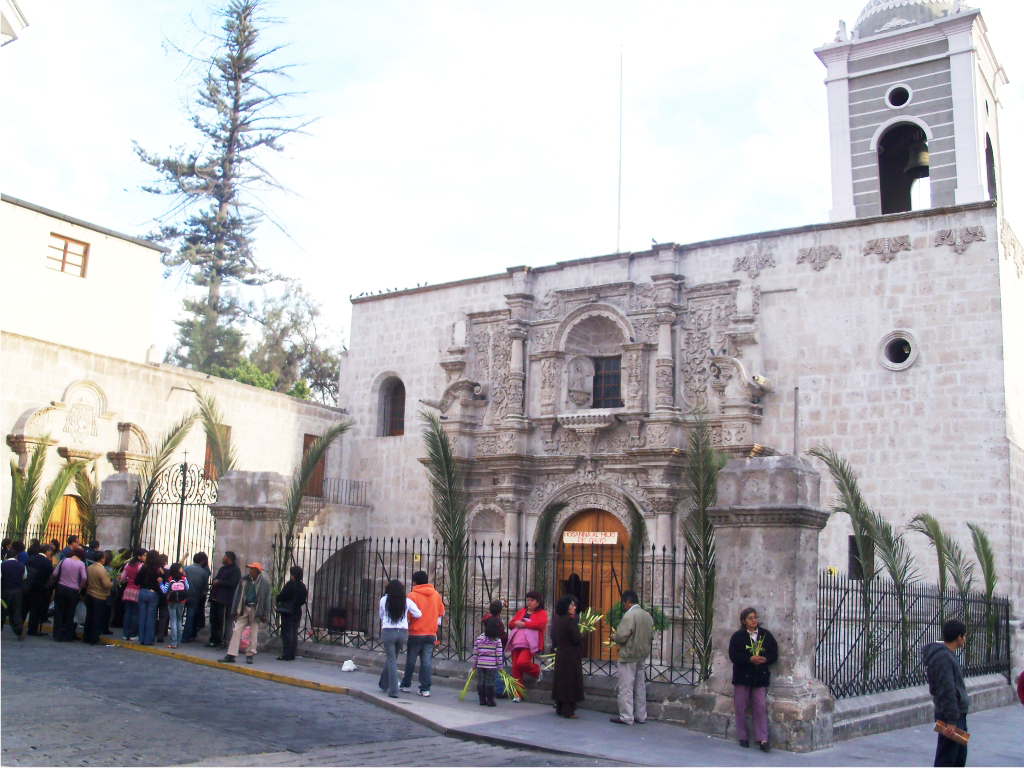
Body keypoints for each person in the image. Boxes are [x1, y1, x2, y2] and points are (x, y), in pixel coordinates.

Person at [728, 607, 779, 751]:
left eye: (755, 617)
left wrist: (765, 659)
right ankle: (742, 736)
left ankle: (763, 739)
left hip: (759, 676)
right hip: (742, 676)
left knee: (760, 707)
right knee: (740, 706)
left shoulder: (765, 635)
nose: (753, 620)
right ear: (744, 621)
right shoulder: (738, 636)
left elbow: (774, 653)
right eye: (750, 618)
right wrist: (749, 659)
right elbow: (734, 655)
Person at [924, 619, 970, 767]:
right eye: (964, 636)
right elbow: (947, 690)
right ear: (959, 637)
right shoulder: (943, 658)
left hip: (957, 715)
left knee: (958, 758)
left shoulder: (948, 655)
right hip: (950, 716)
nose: (965, 639)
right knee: (947, 759)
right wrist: (951, 719)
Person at [609, 590, 655, 725]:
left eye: (624, 603)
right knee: (640, 687)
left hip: (629, 655)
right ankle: (641, 715)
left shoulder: (630, 615)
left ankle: (626, 716)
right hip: (641, 655)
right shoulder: (647, 616)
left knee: (626, 687)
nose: (624, 606)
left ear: (628, 601)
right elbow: (651, 636)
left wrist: (613, 637)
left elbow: (622, 635)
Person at [400, 570, 445, 696]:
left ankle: (406, 684)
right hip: (430, 633)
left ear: (415, 582)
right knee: (426, 662)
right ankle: (425, 688)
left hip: (416, 632)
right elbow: (441, 611)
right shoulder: (436, 595)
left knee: (411, 660)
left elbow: (408, 615)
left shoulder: (412, 596)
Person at [377, 579, 421, 698]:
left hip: (388, 631)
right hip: (402, 632)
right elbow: (418, 614)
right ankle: (383, 683)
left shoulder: (384, 600)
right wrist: (407, 619)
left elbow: (381, 615)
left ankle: (393, 690)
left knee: (391, 660)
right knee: (392, 658)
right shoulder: (406, 601)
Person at [221, 562, 270, 664]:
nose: (249, 570)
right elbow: (237, 594)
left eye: (252, 569)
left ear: (256, 571)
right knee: (236, 630)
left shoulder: (264, 583)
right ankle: (231, 654)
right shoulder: (244, 579)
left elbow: (267, 600)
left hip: (256, 610)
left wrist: (266, 615)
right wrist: (234, 610)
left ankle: (250, 654)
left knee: (253, 633)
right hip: (245, 608)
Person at [507, 590, 548, 698]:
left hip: (530, 644)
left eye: (532, 600)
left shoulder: (542, 613)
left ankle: (536, 671)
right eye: (528, 600)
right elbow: (511, 624)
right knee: (515, 668)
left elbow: (539, 624)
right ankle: (517, 694)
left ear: (538, 602)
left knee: (522, 662)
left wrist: (524, 624)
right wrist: (516, 623)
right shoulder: (521, 611)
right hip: (517, 642)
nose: (529, 602)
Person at [550, 594, 585, 718]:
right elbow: (576, 638)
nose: (574, 607)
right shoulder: (570, 621)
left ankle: (560, 707)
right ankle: (568, 711)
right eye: (572, 605)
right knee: (570, 681)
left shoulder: (557, 620)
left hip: (561, 653)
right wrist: (582, 635)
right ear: (566, 606)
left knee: (561, 680)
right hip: (571, 655)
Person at [52, 547, 88, 642]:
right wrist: (80, 586)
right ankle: (67, 635)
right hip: (73, 590)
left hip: (61, 587)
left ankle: (57, 634)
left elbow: (55, 573)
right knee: (70, 613)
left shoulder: (64, 561)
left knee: (59, 611)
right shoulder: (81, 564)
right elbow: (84, 577)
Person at [207, 551, 240, 650]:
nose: (223, 558)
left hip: (224, 599)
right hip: (215, 597)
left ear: (229, 558)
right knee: (213, 619)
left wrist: (219, 582)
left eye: (224, 556)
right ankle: (213, 640)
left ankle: (221, 641)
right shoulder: (222, 569)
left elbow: (234, 583)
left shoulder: (235, 570)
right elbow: (216, 579)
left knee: (222, 621)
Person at [472, 609, 505, 707]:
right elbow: (499, 655)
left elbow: (475, 653)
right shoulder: (497, 640)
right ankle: (490, 700)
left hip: (480, 664)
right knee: (489, 682)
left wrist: (474, 664)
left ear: (485, 627)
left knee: (481, 681)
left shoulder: (479, 639)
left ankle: (482, 700)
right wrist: (500, 666)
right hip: (491, 665)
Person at [275, 565, 308, 661]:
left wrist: (279, 598)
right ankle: (292, 653)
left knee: (287, 633)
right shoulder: (303, 586)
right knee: (294, 633)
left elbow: (281, 596)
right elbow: (303, 600)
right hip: (297, 611)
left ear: (293, 575)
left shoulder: (290, 584)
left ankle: (286, 654)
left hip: (288, 611)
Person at [82, 550, 113, 644]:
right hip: (99, 596)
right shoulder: (102, 570)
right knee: (97, 618)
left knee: (89, 616)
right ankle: (94, 637)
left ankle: (86, 636)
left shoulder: (89, 568)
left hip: (89, 594)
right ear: (102, 559)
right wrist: (112, 583)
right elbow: (106, 584)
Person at [135, 549, 164, 646]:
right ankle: (148, 640)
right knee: (151, 617)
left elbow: (136, 581)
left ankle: (142, 638)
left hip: (142, 591)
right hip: (153, 593)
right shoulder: (159, 569)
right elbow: (162, 582)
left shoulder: (143, 567)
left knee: (142, 616)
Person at [25, 543, 54, 636]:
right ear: (47, 551)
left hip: (29, 586)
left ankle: (20, 626)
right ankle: (32, 629)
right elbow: (51, 575)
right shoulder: (46, 562)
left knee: (26, 607)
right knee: (35, 609)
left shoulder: (32, 558)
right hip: (40, 588)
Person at [1, 545, 28, 640]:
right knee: (15, 611)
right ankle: (20, 629)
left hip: (5, 590)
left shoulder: (2, 565)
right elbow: (24, 577)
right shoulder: (22, 565)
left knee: (2, 611)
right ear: (16, 556)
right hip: (17, 591)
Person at [182, 552, 211, 643]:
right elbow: (205, 588)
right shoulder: (204, 573)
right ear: (202, 561)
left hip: (183, 595)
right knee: (190, 617)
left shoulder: (186, 569)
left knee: (179, 615)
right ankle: (186, 636)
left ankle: (177, 635)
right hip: (195, 596)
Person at [161, 562, 189, 648]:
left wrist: (160, 584)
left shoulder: (170, 579)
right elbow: (188, 587)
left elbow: (164, 591)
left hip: (171, 601)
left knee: (173, 621)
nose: (182, 569)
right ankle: (178, 641)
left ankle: (174, 642)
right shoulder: (183, 578)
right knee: (179, 620)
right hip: (182, 601)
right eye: (181, 568)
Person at [120, 549, 146, 641]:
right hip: (136, 591)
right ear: (139, 556)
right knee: (135, 613)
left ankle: (125, 633)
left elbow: (123, 578)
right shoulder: (141, 566)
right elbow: (142, 579)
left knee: (127, 613)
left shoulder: (128, 564)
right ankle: (133, 634)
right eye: (144, 556)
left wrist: (129, 579)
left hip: (127, 590)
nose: (145, 558)